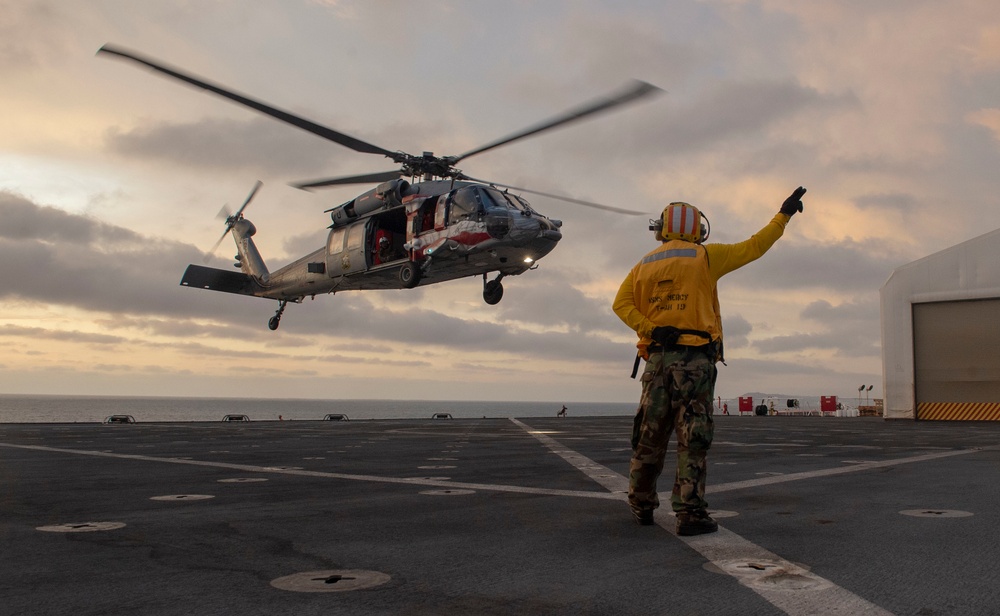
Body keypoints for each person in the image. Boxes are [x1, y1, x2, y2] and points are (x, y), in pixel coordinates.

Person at [612, 187, 806, 534]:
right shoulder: (705, 256)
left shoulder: (642, 264)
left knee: (649, 436)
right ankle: (690, 513)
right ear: (694, 229)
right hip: (694, 362)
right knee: (693, 438)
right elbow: (754, 247)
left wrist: (652, 330)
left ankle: (640, 505)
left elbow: (621, 305)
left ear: (664, 228)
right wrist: (783, 215)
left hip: (656, 363)